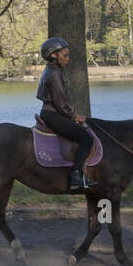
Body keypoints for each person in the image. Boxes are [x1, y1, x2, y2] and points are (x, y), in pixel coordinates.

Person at [37, 37, 94, 191]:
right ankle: (76, 175)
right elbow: (61, 102)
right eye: (65, 55)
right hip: (53, 115)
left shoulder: (51, 70)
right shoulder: (54, 73)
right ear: (54, 55)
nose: (67, 59)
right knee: (86, 138)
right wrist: (74, 116)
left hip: (50, 113)